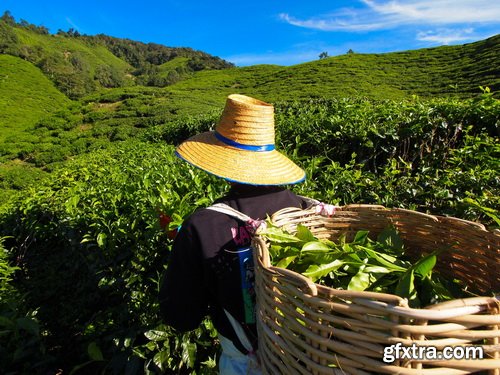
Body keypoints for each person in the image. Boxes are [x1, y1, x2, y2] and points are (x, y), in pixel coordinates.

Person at [158, 94, 312, 374]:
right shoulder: (307, 210)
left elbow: (181, 316)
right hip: (309, 357)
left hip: (247, 364)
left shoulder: (203, 226)